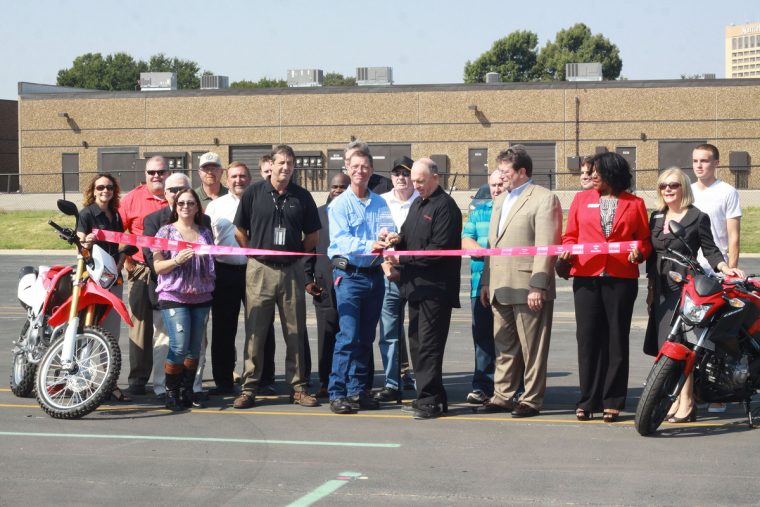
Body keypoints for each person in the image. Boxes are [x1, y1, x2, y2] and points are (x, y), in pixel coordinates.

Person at [644, 167, 744, 422]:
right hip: (661, 290)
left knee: (683, 345)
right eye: (664, 185)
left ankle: (686, 402)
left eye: (674, 185)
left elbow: (710, 251)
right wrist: (650, 289)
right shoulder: (656, 216)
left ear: (684, 188)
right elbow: (652, 255)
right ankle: (675, 399)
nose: (668, 189)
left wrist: (725, 267)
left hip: (685, 288)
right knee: (665, 347)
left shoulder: (697, 217)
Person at [559, 152, 651, 422]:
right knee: (587, 340)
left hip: (621, 278)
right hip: (587, 275)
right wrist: (567, 251)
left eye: (598, 171)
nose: (592, 176)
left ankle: (613, 400)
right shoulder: (580, 199)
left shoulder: (635, 204)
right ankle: (588, 399)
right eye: (591, 171)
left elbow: (643, 240)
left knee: (616, 339)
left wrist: (639, 254)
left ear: (613, 172)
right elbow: (570, 236)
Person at [232, 144, 320, 409]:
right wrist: (254, 254)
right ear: (272, 164)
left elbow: (313, 236)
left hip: (292, 270)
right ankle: (249, 388)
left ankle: (298, 387)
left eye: (290, 163)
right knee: (255, 331)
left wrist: (293, 255)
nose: (285, 168)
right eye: (281, 162)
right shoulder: (254, 193)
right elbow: (239, 230)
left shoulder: (302, 196)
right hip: (259, 269)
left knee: (295, 331)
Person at [479, 145, 562, 418]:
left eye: (505, 171)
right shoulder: (501, 200)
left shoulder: (543, 198)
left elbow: (546, 245)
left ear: (522, 171)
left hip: (528, 286)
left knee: (532, 348)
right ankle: (502, 395)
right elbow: (494, 245)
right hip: (501, 285)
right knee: (504, 345)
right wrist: (486, 280)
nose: (501, 176)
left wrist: (538, 284)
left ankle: (531, 398)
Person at [385, 158, 462, 419]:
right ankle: (431, 397)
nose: (416, 185)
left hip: (435, 289)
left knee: (429, 345)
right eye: (414, 181)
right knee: (417, 344)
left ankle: (430, 400)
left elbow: (438, 250)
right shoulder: (418, 203)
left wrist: (402, 259)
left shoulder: (445, 207)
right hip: (414, 287)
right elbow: (408, 235)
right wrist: (396, 240)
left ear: (435, 178)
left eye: (420, 180)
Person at [326, 149, 392, 414]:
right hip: (350, 276)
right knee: (348, 336)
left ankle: (357, 390)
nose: (360, 171)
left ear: (372, 170)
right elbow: (341, 241)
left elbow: (389, 229)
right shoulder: (339, 204)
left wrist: (391, 238)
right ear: (348, 168)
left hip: (374, 276)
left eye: (365, 166)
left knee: (366, 337)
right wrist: (369, 244)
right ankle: (337, 392)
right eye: (355, 166)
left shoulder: (380, 203)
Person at [142, 173, 211, 405]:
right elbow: (159, 267)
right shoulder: (165, 233)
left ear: (197, 207)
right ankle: (171, 392)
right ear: (175, 206)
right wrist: (178, 260)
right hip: (174, 296)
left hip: (201, 296)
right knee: (179, 346)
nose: (185, 206)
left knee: (194, 348)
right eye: (181, 202)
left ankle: (187, 389)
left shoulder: (205, 233)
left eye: (190, 203)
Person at [691, 143, 743, 414]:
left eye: (705, 161)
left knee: (716, 334)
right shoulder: (685, 191)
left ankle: (718, 393)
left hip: (717, 271)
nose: (699, 165)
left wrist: (730, 271)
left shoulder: (727, 192)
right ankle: (694, 392)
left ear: (716, 163)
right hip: (691, 272)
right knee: (693, 333)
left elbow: (733, 235)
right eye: (696, 161)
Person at [76, 173, 130, 402]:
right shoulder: (87, 214)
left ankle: (109, 382)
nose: (104, 191)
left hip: (112, 279)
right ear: (93, 189)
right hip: (92, 279)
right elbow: (79, 247)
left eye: (109, 187)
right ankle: (82, 380)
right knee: (86, 330)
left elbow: (118, 245)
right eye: (100, 187)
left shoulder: (115, 214)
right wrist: (85, 243)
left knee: (111, 334)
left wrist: (119, 265)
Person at [119, 156, 169, 395]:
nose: (156, 176)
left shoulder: (177, 197)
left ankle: (170, 374)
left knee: (168, 326)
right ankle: (138, 377)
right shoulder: (133, 198)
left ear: (168, 173)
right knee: (140, 323)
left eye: (161, 172)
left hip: (171, 270)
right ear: (145, 173)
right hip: (141, 269)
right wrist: (126, 259)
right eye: (152, 172)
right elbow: (119, 232)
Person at [374, 156, 419, 403]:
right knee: (389, 332)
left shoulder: (422, 201)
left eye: (406, 173)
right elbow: (373, 237)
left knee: (418, 332)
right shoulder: (381, 202)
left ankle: (418, 379)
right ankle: (392, 383)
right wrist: (386, 266)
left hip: (415, 275)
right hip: (388, 275)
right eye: (396, 173)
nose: (401, 178)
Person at [204, 162, 251, 395]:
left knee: (259, 326)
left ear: (249, 179)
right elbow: (206, 239)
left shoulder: (258, 201)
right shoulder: (215, 206)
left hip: (254, 271)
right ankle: (223, 379)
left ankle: (261, 377)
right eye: (234, 176)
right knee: (223, 328)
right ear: (227, 179)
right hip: (225, 272)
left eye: (242, 176)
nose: (238, 180)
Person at [304, 172, 350, 398]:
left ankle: (354, 381)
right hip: (324, 285)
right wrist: (307, 279)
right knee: (327, 335)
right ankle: (325, 380)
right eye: (335, 186)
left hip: (352, 283)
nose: (338, 190)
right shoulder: (318, 215)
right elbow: (308, 249)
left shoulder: (354, 212)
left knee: (352, 333)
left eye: (343, 186)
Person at [460, 169, 503, 405]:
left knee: (509, 341)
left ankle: (513, 387)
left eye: (500, 185)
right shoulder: (479, 213)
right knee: (483, 339)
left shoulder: (511, 212)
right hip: (479, 287)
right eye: (493, 186)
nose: (496, 190)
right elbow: (466, 239)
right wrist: (486, 253)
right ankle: (483, 386)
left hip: (507, 287)